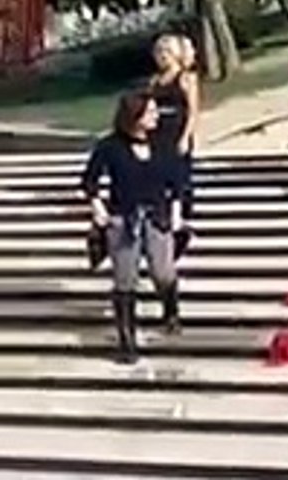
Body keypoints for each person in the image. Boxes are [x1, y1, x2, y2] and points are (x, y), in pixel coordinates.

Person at [82, 91, 187, 364]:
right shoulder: (110, 146)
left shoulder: (162, 144)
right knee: (125, 279)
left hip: (156, 215)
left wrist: (176, 214)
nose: (156, 117)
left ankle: (171, 309)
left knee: (162, 271)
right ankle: (127, 340)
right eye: (150, 112)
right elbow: (90, 180)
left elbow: (177, 182)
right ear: (134, 116)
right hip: (124, 218)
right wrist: (98, 208)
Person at [149, 33, 199, 219]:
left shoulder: (186, 78)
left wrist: (186, 136)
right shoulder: (155, 80)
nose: (162, 56)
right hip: (158, 130)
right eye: (159, 52)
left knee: (179, 171)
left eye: (166, 52)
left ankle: (182, 210)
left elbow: (193, 110)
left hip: (177, 128)